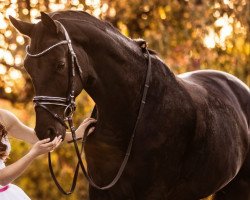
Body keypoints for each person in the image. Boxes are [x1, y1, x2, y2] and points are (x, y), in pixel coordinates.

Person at [0, 109, 96, 199]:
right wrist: (33, 154)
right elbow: (2, 179)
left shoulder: (3, 116)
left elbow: (36, 137)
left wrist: (74, 134)